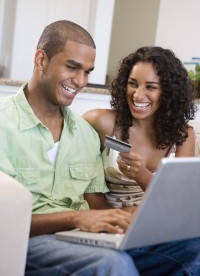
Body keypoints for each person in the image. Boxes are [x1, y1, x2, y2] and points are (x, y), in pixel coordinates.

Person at [0, 21, 199, 276]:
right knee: (111, 264)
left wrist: (121, 218)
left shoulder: (84, 133)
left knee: (192, 248)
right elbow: (6, 220)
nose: (81, 81)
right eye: (72, 67)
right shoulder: (5, 122)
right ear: (41, 60)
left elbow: (95, 204)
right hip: (29, 242)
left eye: (88, 72)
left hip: (83, 239)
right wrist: (76, 219)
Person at [83, 46, 197, 208]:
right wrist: (118, 218)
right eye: (133, 84)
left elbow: (177, 201)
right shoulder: (101, 123)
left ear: (169, 92)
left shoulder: (182, 135)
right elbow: (85, 190)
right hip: (109, 222)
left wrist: (142, 175)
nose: (137, 95)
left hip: (159, 221)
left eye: (150, 87)